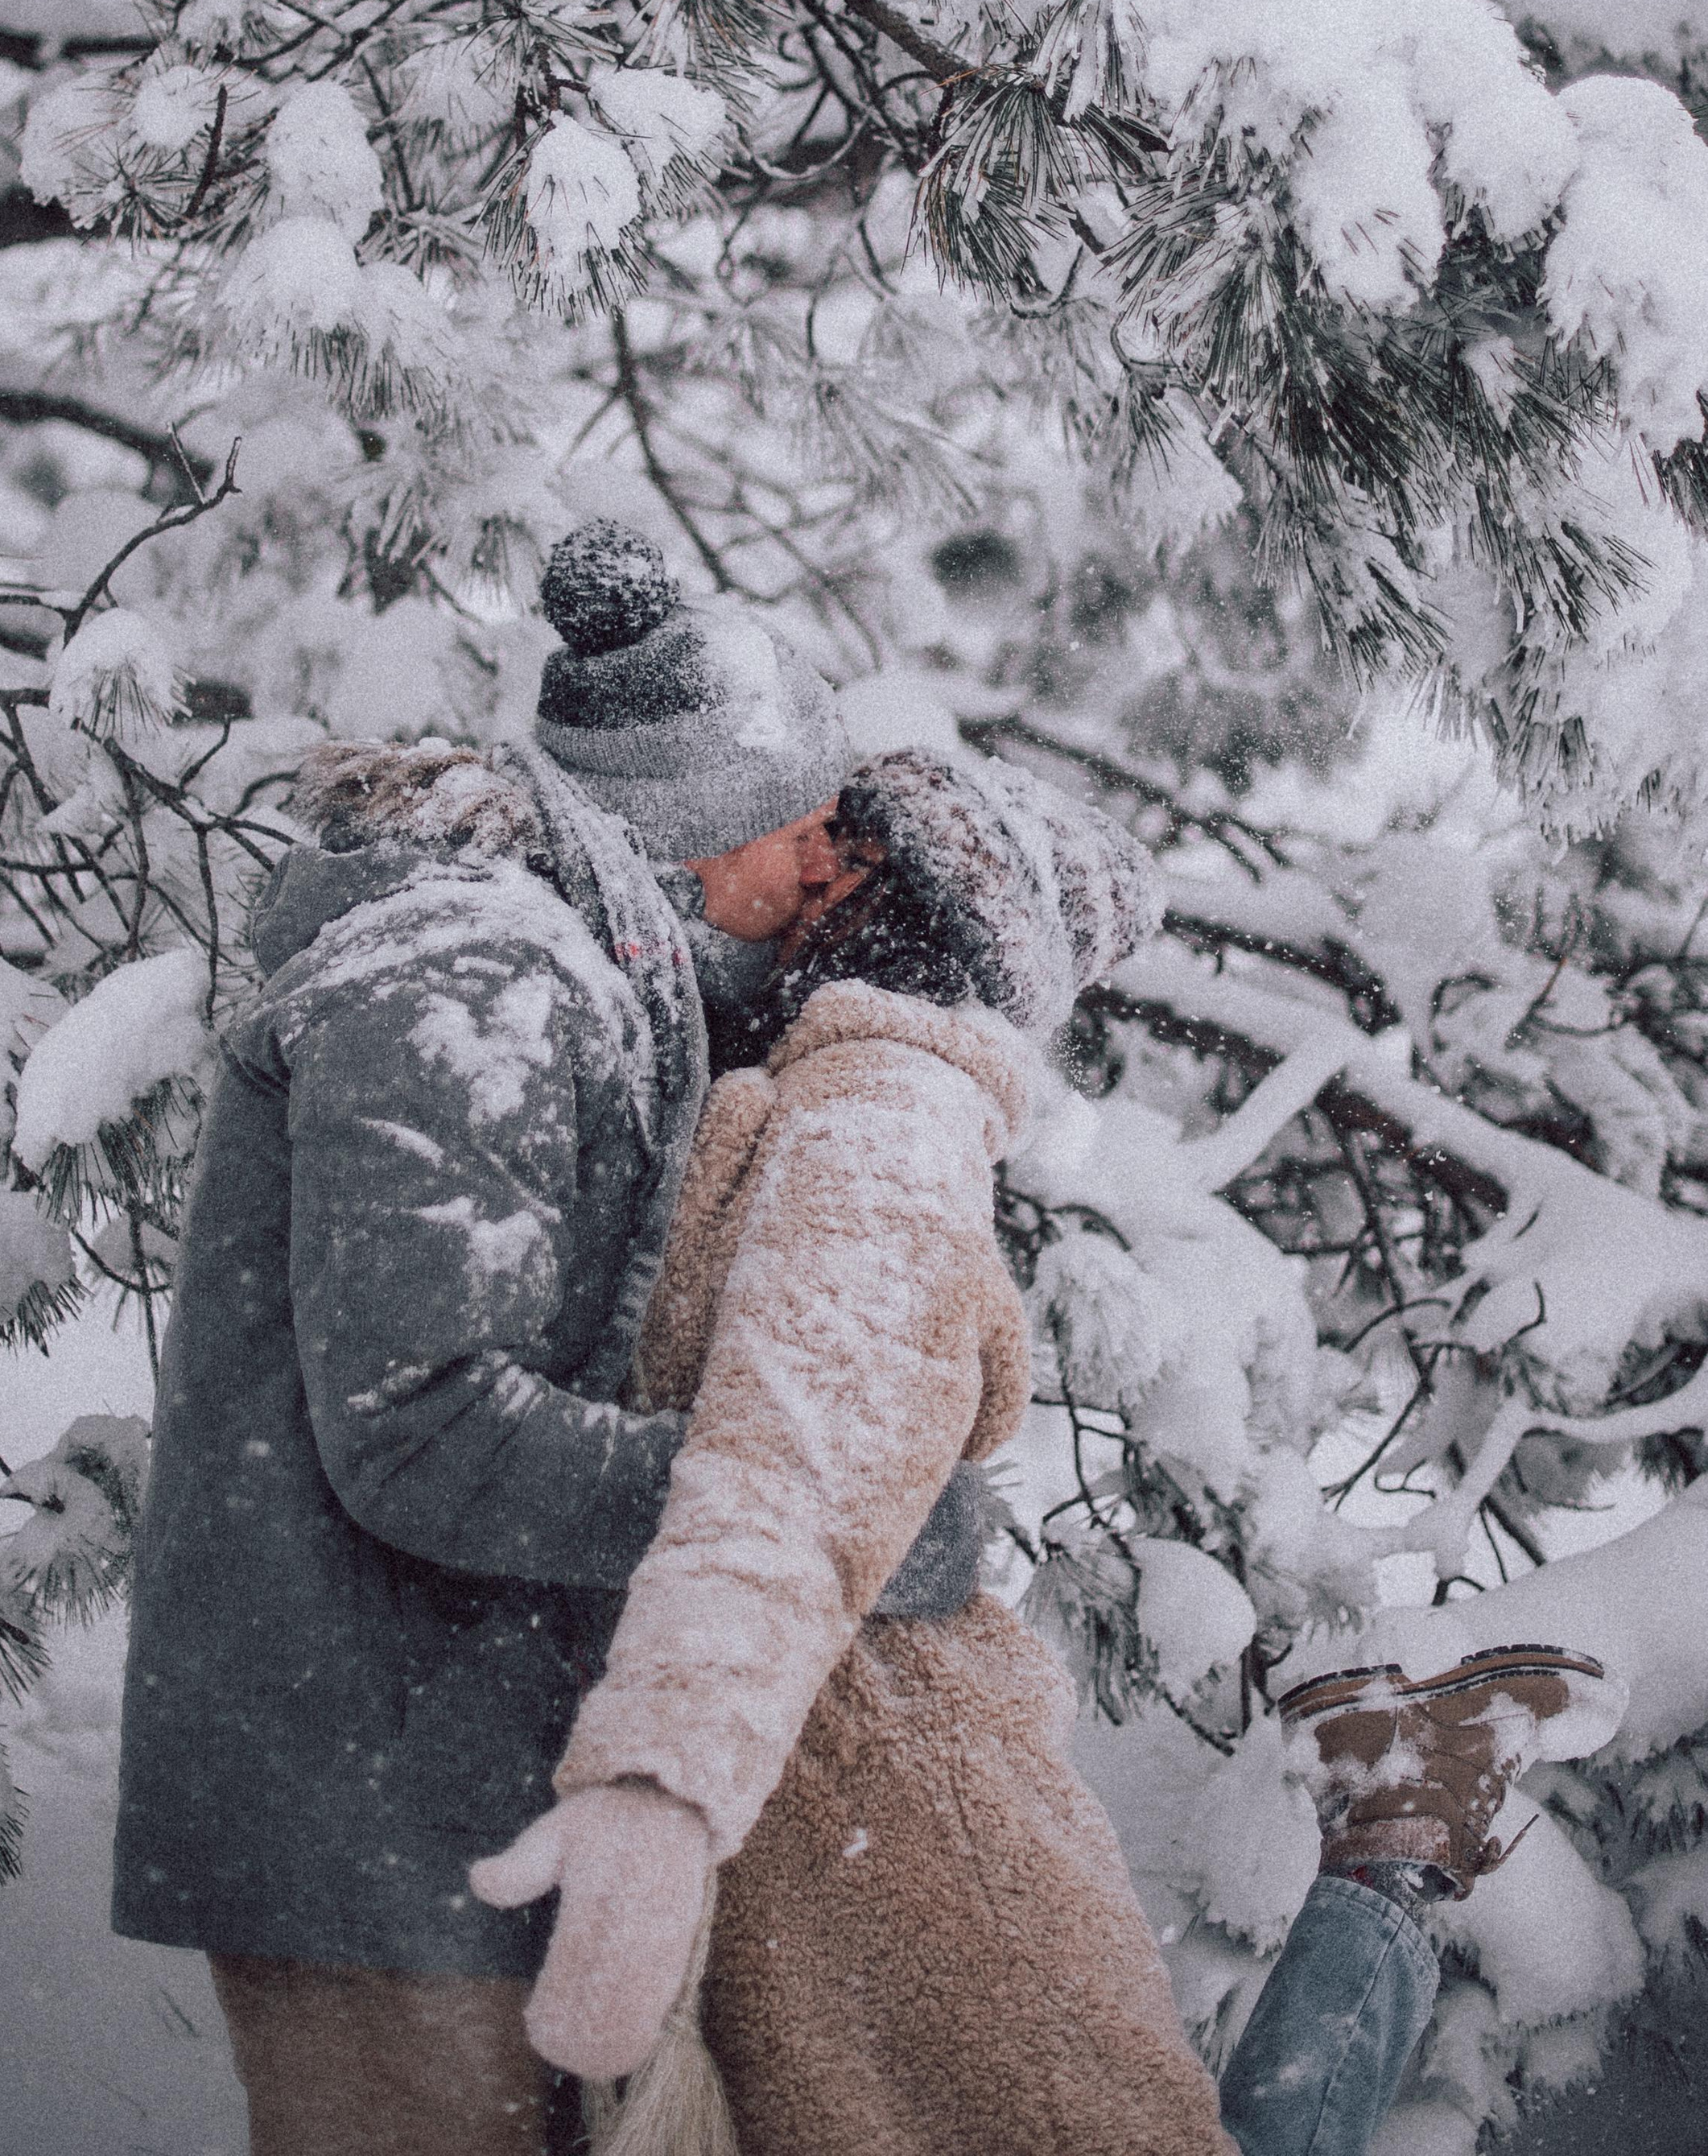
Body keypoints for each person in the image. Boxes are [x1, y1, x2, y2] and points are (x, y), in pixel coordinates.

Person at [460, 692, 1626, 2156]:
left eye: (838, 848)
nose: (793, 864)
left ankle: (1393, 1837)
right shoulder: (808, 1086)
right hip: (833, 1793)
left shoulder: (879, 1112)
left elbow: (801, 1455)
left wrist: (664, 1779)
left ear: (890, 909)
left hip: (894, 1810)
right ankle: (1395, 1823)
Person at [109, 525, 984, 2156]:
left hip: (458, 1774)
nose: (817, 869)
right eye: (798, 824)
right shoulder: (474, 974)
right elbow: (424, 1430)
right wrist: (800, 1524)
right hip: (367, 1800)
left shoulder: (592, 977)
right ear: (692, 819)